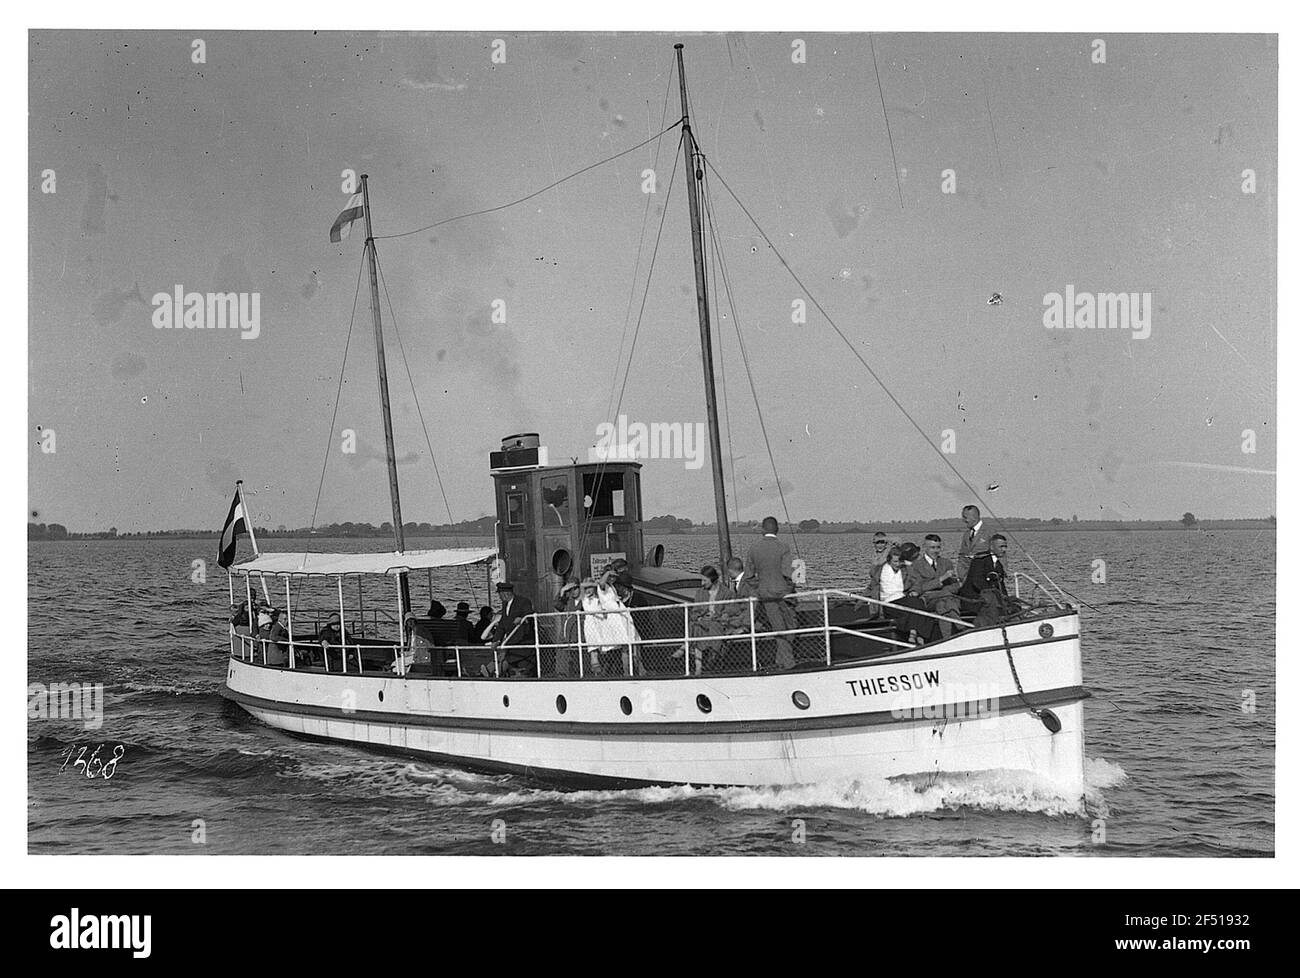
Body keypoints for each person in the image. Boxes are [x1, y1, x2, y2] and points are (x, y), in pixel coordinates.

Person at [745, 516, 797, 670]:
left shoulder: (754, 548)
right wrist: (788, 589)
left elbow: (748, 576)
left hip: (765, 595)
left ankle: (781, 660)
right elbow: (789, 573)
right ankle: (788, 663)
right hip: (783, 594)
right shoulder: (784, 547)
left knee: (779, 627)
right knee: (791, 626)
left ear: (762, 529)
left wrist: (760, 587)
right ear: (777, 529)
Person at [905, 534, 963, 639]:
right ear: (924, 547)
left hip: (946, 598)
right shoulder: (916, 565)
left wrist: (944, 591)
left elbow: (955, 585)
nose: (936, 551)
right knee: (945, 601)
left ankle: (947, 638)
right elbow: (920, 587)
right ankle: (961, 627)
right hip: (929, 599)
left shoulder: (946, 563)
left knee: (942, 605)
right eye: (932, 548)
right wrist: (941, 579)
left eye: (938, 547)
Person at [959, 533, 1012, 627]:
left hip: (988, 598)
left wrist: (1006, 599)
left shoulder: (998, 565)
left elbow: (1001, 585)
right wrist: (995, 595)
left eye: (1005, 547)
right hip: (973, 599)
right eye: (1001, 547)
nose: (1004, 550)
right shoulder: (980, 560)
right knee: (993, 608)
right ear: (991, 547)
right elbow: (977, 582)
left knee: (1011, 606)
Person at [488, 581, 535, 677]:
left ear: (505, 594)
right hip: (511, 642)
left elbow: (529, 614)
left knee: (520, 667)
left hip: (523, 643)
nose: (499, 597)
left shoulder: (523, 602)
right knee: (506, 659)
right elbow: (502, 625)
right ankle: (488, 672)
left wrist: (521, 618)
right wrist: (496, 640)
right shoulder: (505, 605)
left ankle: (490, 671)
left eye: (500, 594)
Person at [956, 505, 994, 583]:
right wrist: (962, 575)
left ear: (973, 517)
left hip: (984, 579)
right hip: (967, 579)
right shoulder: (966, 534)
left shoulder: (990, 532)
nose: (963, 520)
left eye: (965, 517)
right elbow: (962, 556)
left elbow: (999, 555)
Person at [552, 580, 580, 676]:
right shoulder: (567, 602)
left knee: (579, 657)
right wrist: (563, 591)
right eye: (571, 589)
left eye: (576, 588)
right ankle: (562, 674)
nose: (574, 591)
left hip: (579, 632)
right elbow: (557, 605)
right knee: (563, 655)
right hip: (566, 633)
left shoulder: (584, 600)